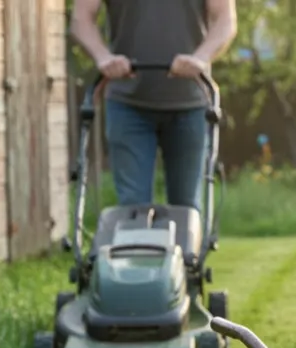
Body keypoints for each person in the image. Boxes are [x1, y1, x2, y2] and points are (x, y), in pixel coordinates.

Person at [71, 0, 237, 213]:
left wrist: (201, 58)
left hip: (191, 104)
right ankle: (135, 246)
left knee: (187, 209)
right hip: (128, 104)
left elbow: (225, 20)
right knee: (133, 209)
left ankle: (186, 247)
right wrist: (103, 57)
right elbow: (81, 19)